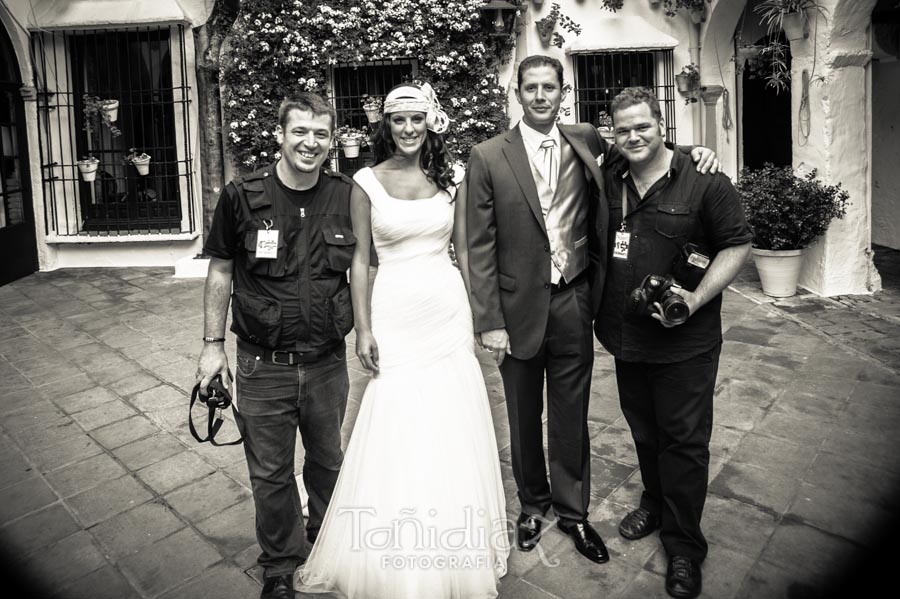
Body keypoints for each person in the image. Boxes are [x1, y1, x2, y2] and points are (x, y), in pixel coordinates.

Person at [465, 54, 718, 565]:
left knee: (570, 413)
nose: (540, 96)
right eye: (530, 87)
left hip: (575, 299)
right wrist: (489, 322)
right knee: (522, 414)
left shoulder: (587, 140)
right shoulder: (488, 155)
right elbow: (476, 245)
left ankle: (573, 512)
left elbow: (644, 148)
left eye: (549, 87)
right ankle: (532, 505)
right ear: (517, 92)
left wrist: (695, 152)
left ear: (563, 93)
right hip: (515, 310)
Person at [298, 82, 510, 599]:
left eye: (417, 119)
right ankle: (388, 542)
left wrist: (484, 317)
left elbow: (463, 249)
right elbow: (362, 260)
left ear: (430, 122)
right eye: (399, 121)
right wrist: (365, 328)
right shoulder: (364, 181)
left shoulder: (451, 177)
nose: (409, 129)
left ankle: (452, 537)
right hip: (393, 311)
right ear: (386, 126)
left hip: (444, 308)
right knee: (395, 412)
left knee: (450, 413)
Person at [195, 92, 354, 599]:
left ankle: (327, 545)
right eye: (300, 132)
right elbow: (220, 268)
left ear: (332, 141)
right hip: (262, 364)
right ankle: (281, 565)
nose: (310, 142)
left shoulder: (346, 195)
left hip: (328, 361)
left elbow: (368, 269)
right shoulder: (242, 196)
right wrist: (212, 346)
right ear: (281, 135)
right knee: (270, 473)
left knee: (328, 462)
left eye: (321, 134)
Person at [596, 87, 752, 599]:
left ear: (661, 125)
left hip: (686, 343)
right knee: (644, 433)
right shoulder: (609, 176)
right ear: (613, 134)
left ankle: (684, 546)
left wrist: (696, 298)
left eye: (643, 126)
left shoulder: (704, 178)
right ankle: (655, 502)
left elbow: (737, 243)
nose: (634, 136)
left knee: (684, 442)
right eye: (624, 129)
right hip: (627, 338)